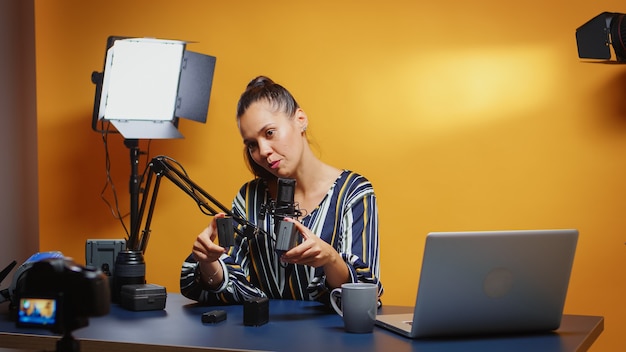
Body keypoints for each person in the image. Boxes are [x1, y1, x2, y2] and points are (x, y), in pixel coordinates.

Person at [180, 76, 383, 306]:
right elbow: (232, 282)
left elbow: (365, 294)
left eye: (269, 133)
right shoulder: (249, 198)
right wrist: (209, 262)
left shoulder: (353, 193)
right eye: (252, 144)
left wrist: (330, 258)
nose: (263, 152)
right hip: (258, 337)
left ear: (300, 119)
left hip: (332, 339)